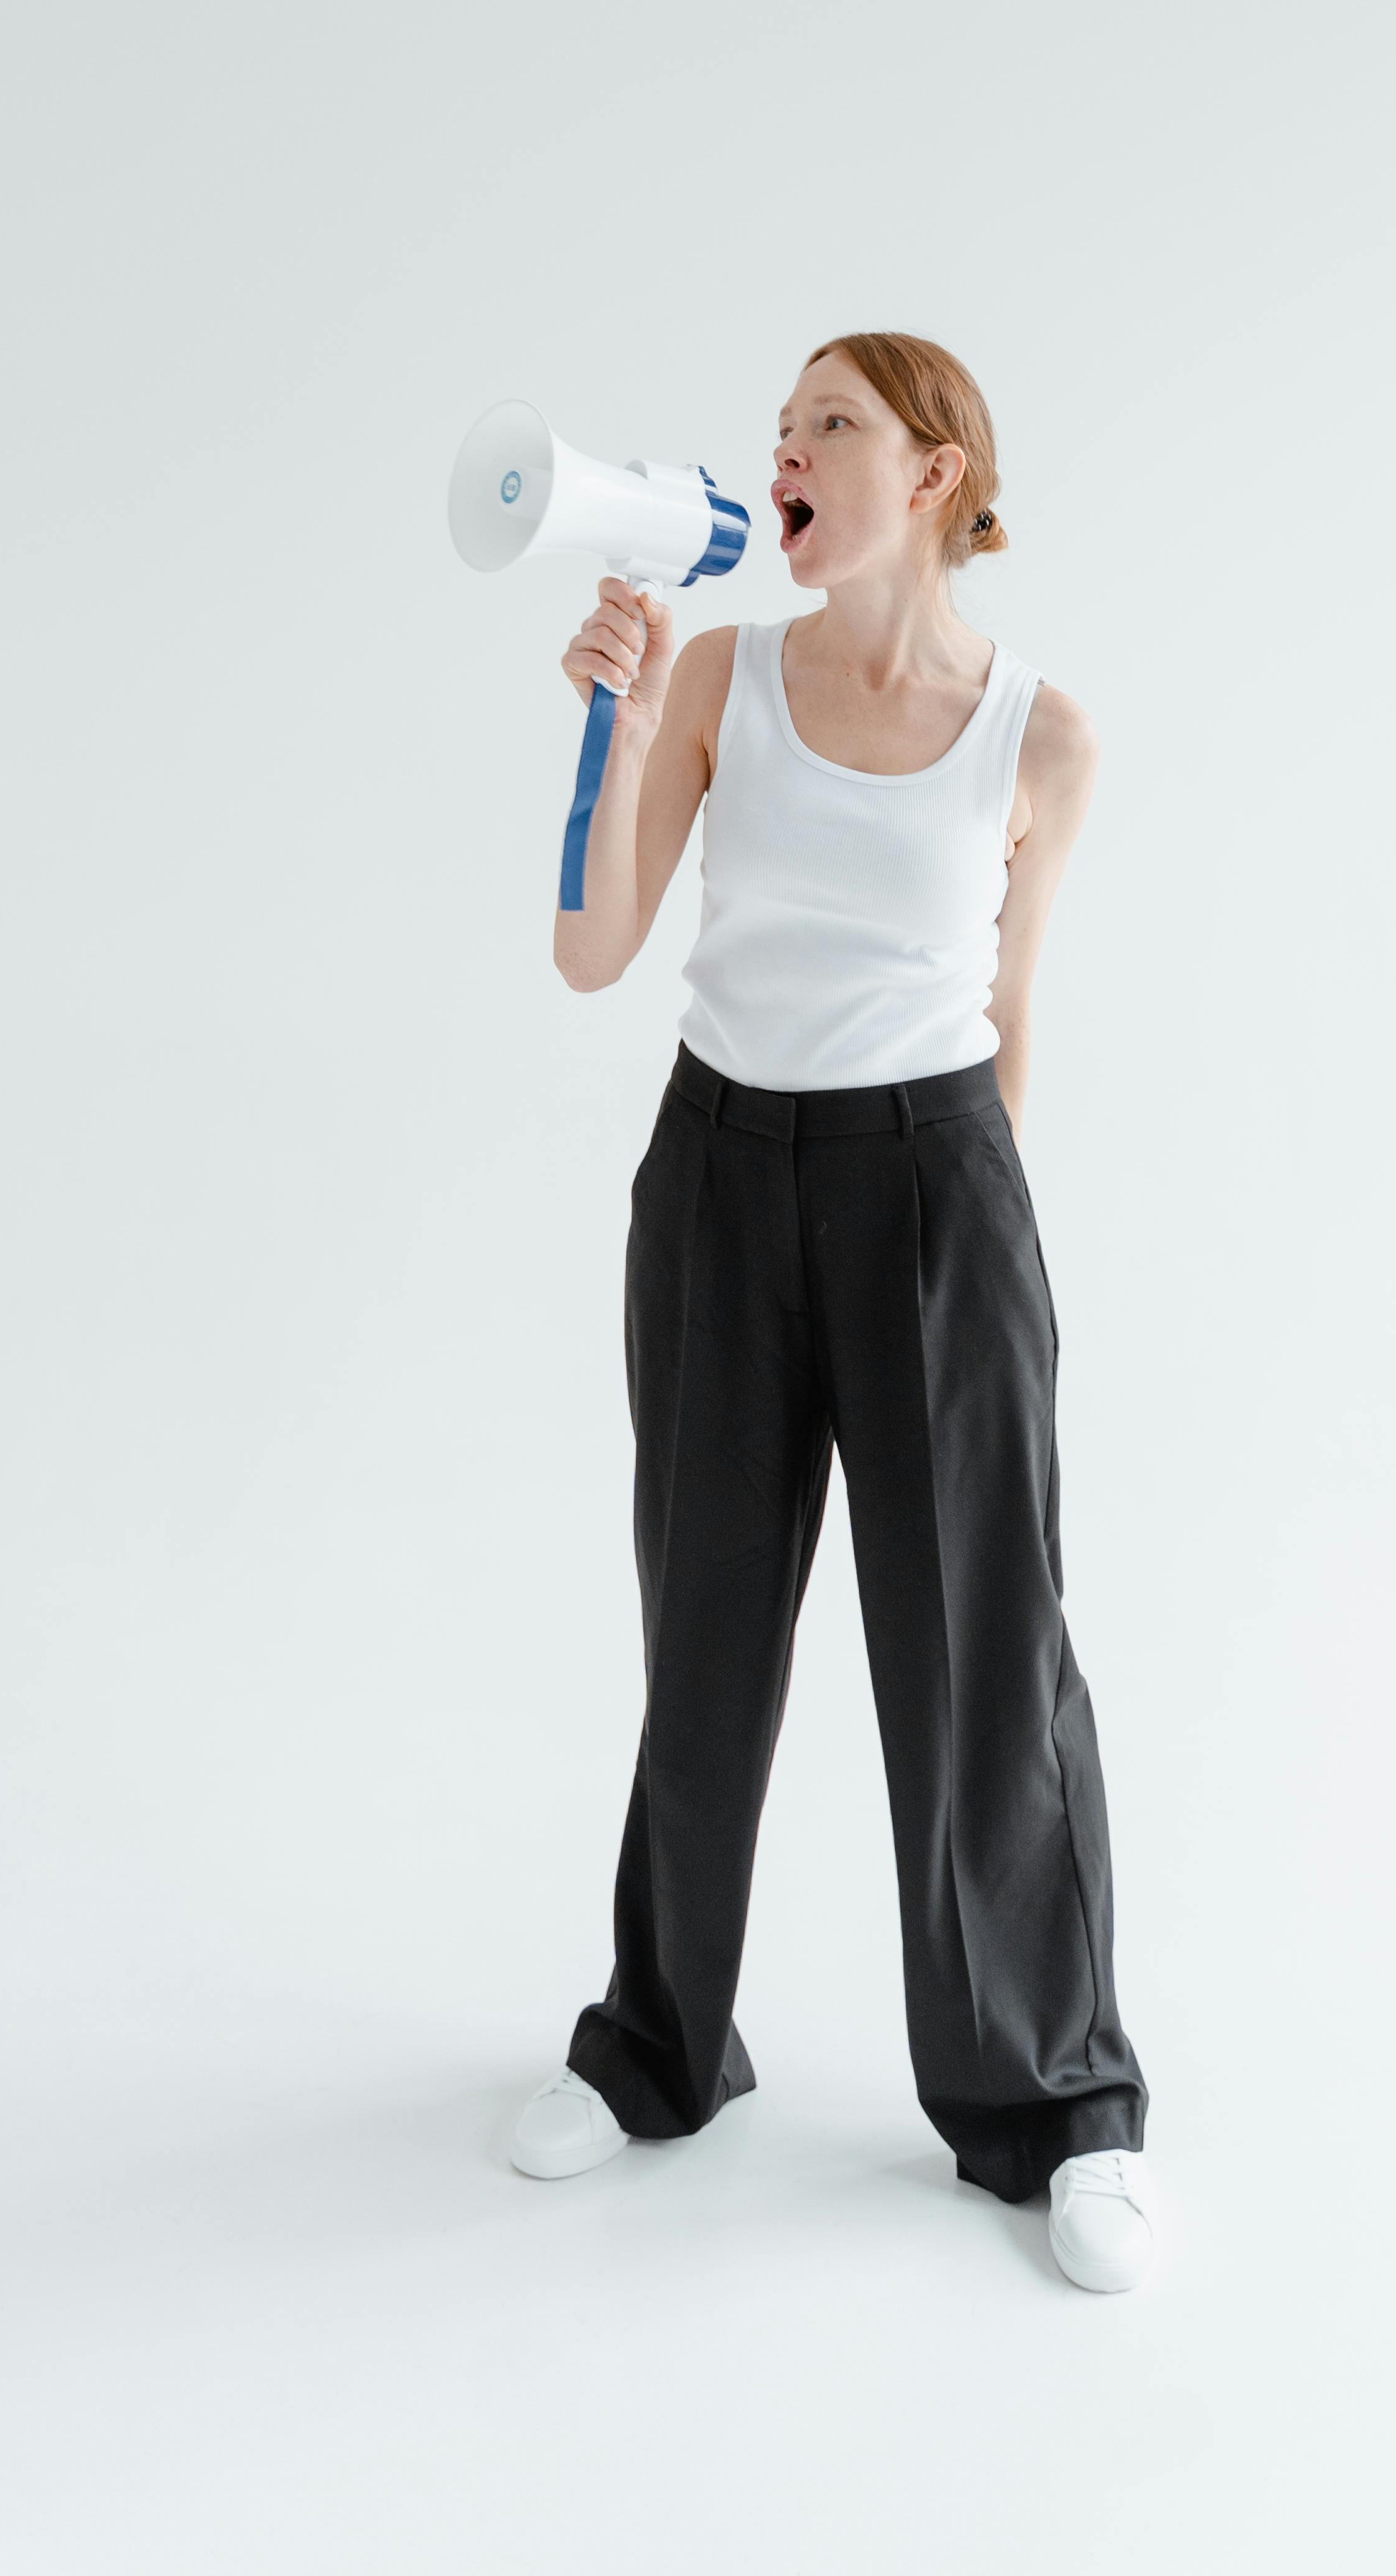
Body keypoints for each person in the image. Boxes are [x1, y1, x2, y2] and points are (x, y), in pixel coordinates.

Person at [506, 332, 1154, 2291]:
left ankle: (1055, 2109)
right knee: (701, 1628)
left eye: (828, 426)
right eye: (778, 428)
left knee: (979, 1664)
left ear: (939, 473)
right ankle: (655, 2051)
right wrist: (611, 726)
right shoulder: (723, 676)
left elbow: (1011, 1006)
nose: (781, 452)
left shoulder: (1042, 733)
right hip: (718, 1175)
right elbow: (593, 953)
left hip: (938, 1189)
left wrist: (980, 1258)